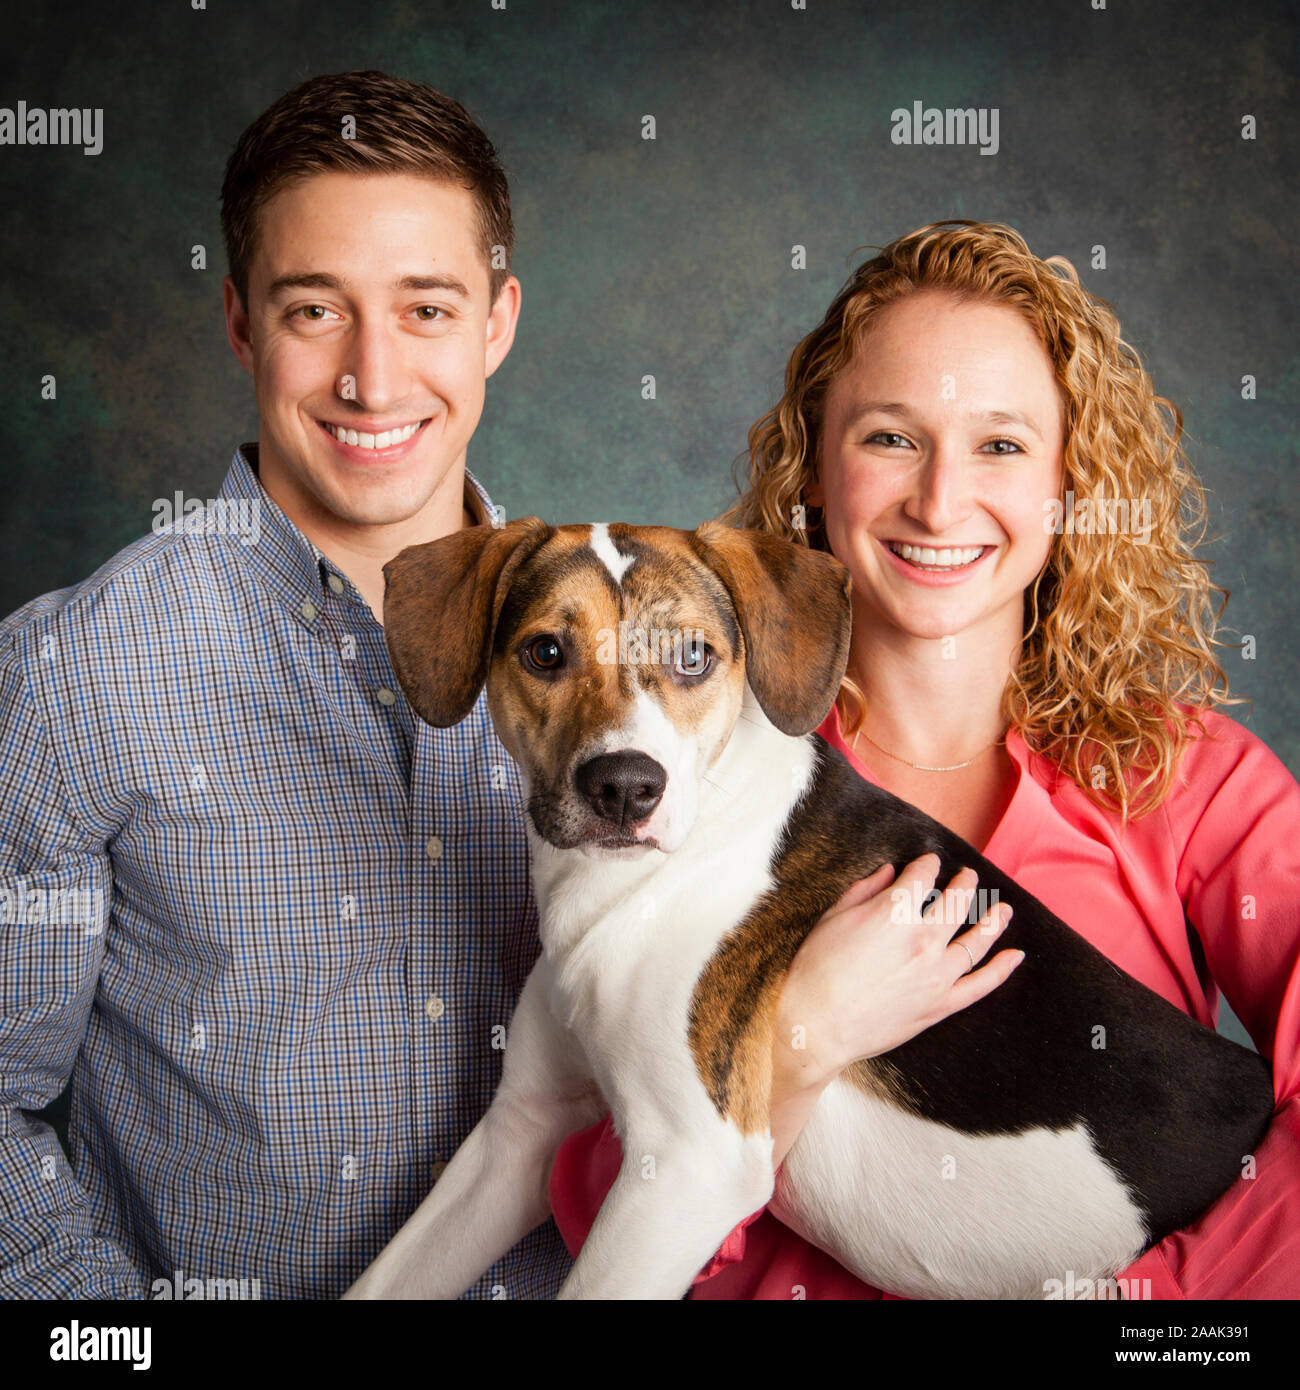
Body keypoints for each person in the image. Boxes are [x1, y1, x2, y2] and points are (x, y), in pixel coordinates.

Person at [548, 220, 1300, 1298]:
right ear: (812, 467)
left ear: (1069, 485)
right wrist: (796, 1039)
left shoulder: (1192, 783)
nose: (940, 502)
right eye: (890, 437)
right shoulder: (675, 786)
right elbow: (601, 1211)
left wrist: (1153, 1311)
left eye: (1000, 445)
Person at [0, 68, 551, 1298]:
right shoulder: (75, 667)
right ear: (243, 323)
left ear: (497, 322)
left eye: (425, 308)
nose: (372, 376)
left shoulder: (621, 662)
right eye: (315, 310)